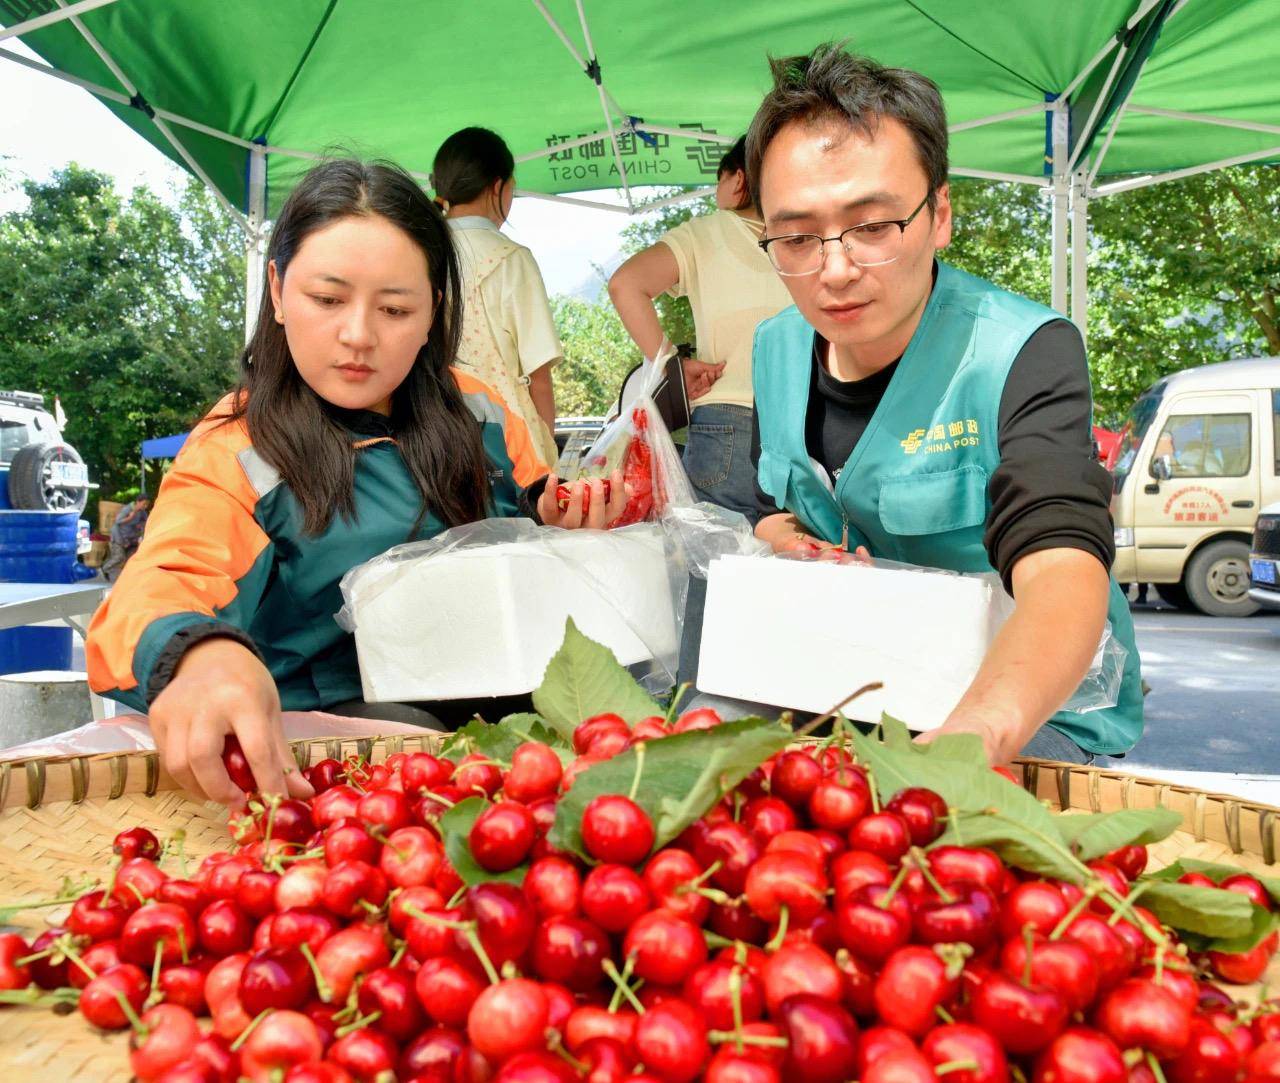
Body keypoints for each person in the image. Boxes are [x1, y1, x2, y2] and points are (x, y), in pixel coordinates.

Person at [85, 158, 626, 806]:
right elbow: (164, 578)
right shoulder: (240, 449)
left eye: (395, 308)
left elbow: (530, 498)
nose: (358, 335)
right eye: (327, 298)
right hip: (340, 757)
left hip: (500, 724)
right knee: (413, 735)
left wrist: (562, 515)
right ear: (279, 290)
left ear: (433, 314)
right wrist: (198, 656)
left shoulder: (477, 407)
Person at [744, 44, 1143, 765]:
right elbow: (774, 502)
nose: (834, 270)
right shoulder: (774, 349)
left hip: (1023, 708)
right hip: (856, 683)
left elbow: (1059, 564)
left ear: (941, 214)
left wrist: (981, 728)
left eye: (872, 227)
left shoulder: (1020, 351)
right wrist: (781, 535)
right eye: (797, 237)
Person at [608, 136, 792, 518]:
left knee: (710, 567)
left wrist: (670, 364)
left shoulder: (707, 231)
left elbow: (625, 284)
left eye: (717, 182)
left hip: (726, 424)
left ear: (737, 180)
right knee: (796, 567)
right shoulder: (811, 237)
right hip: (804, 426)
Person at [432, 127, 562, 467]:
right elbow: (538, 376)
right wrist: (546, 451)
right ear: (497, 187)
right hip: (507, 442)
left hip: (431, 437)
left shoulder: (421, 250)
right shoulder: (511, 258)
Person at [101, 495, 151, 582]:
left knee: (131, 557)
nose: (145, 506)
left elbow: (147, 522)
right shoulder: (127, 509)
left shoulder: (142, 512)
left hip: (131, 538)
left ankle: (129, 577)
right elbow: (118, 521)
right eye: (144, 504)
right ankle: (104, 569)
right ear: (138, 502)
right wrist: (130, 517)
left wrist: (141, 525)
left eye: (146, 505)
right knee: (119, 557)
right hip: (118, 536)